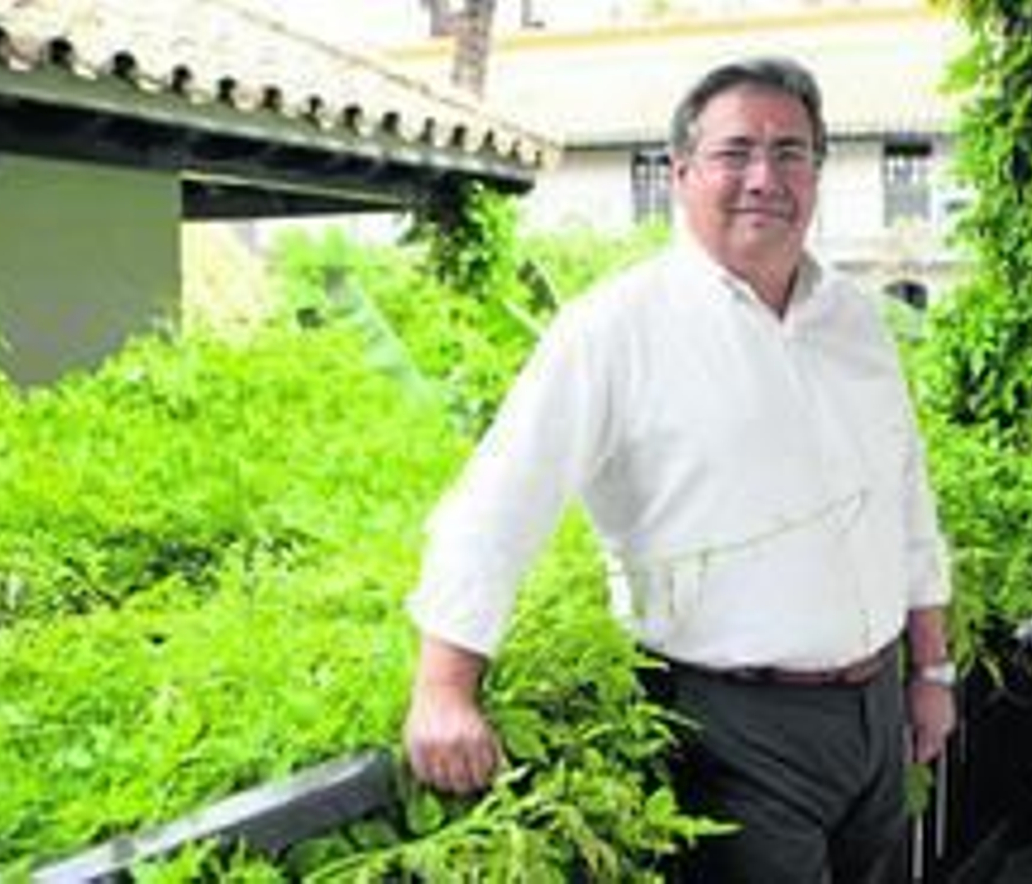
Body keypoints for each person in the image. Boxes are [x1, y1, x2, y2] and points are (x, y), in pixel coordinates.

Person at [403, 55, 956, 883]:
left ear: (816, 173)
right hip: (732, 733)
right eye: (736, 152)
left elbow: (906, 501)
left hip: (878, 711)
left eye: (791, 152)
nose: (765, 177)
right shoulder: (614, 329)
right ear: (682, 171)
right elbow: (497, 509)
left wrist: (932, 670)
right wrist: (444, 689)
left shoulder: (855, 319)